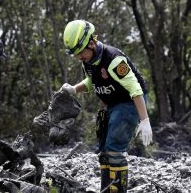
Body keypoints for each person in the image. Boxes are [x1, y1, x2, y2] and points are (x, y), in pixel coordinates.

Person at [60, 20, 153, 192]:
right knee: (103, 151)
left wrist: (144, 120)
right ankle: (106, 189)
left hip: (129, 102)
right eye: (75, 53)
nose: (79, 56)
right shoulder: (88, 60)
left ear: (91, 42)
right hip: (111, 104)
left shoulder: (113, 59)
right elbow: (92, 81)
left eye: (80, 51)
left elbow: (135, 88)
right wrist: (74, 89)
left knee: (114, 148)